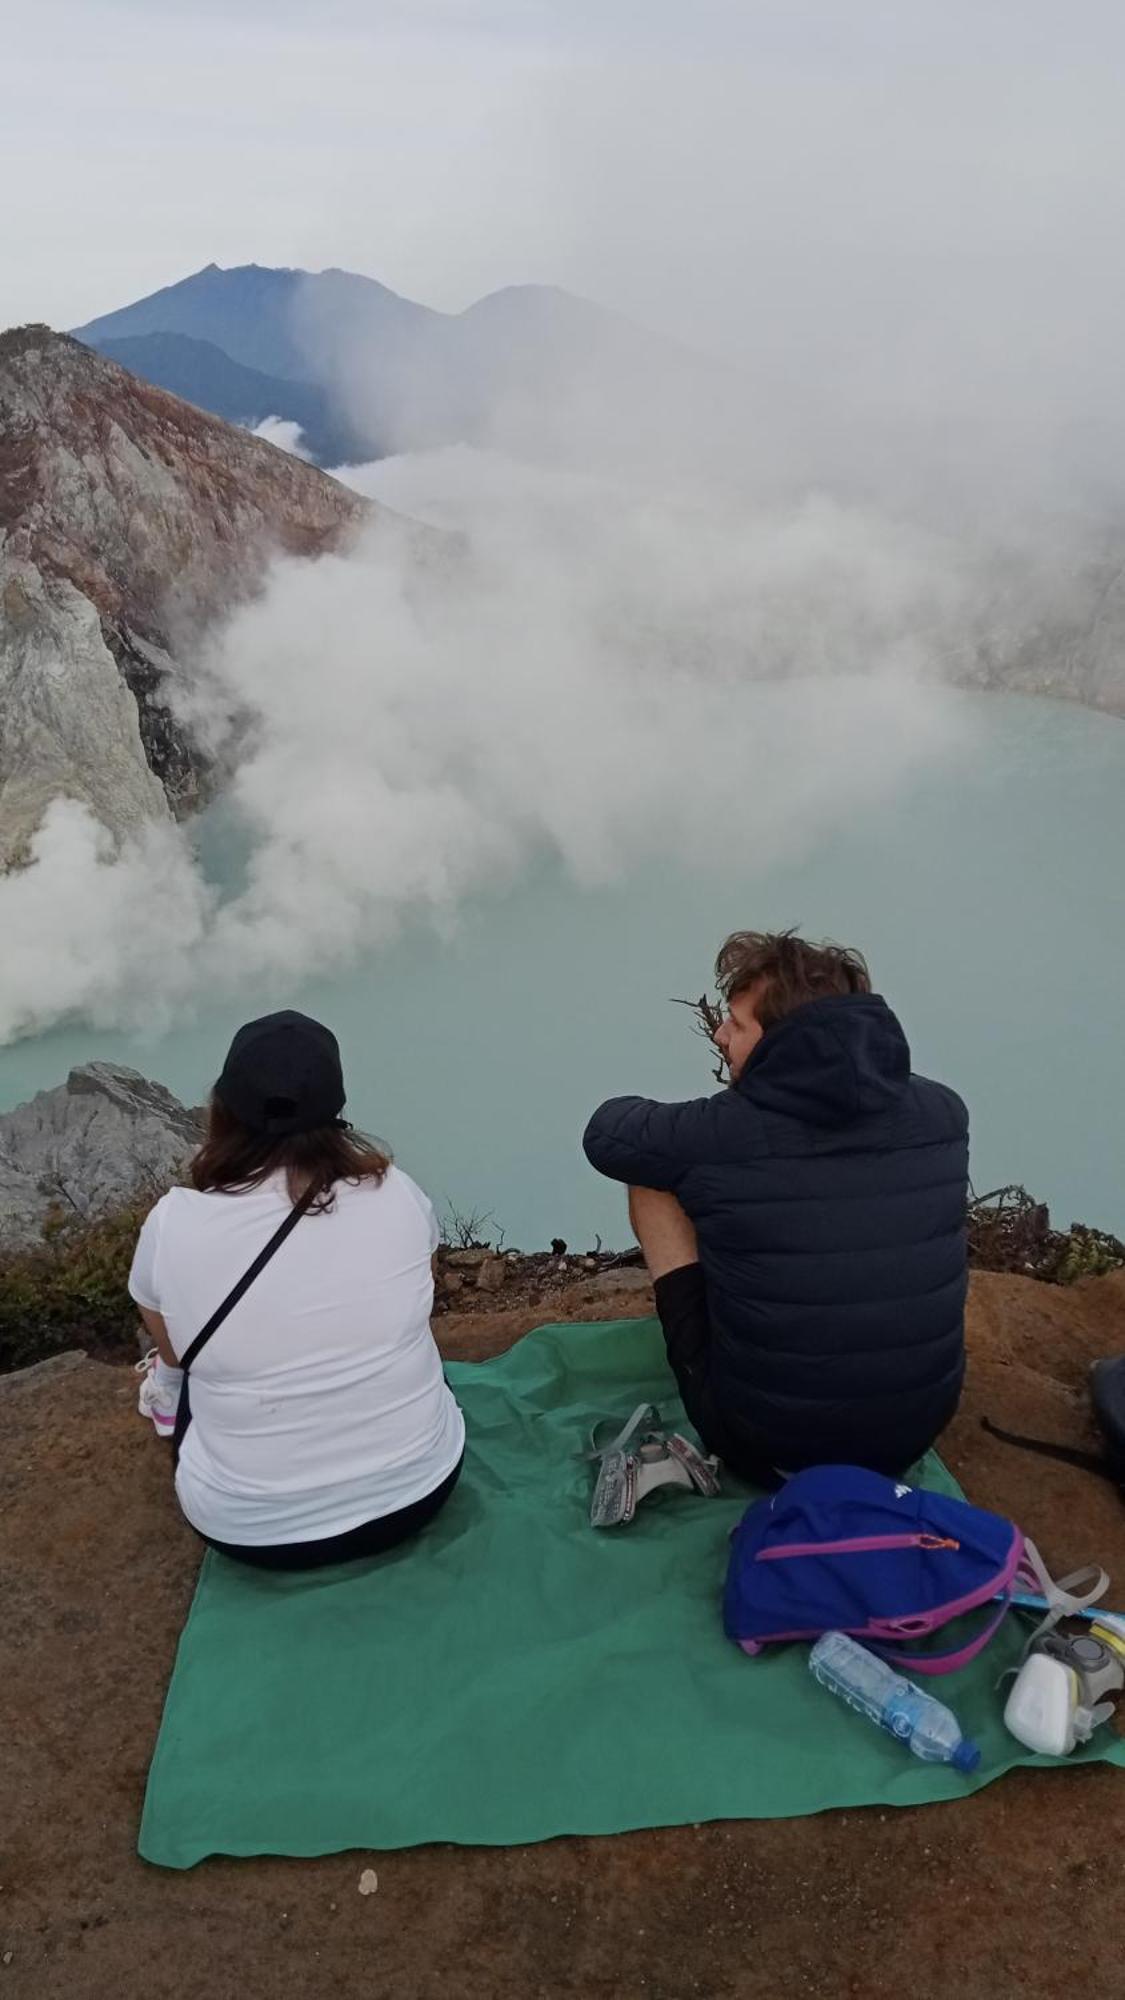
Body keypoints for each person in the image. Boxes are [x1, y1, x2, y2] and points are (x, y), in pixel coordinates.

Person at [583, 931, 969, 1482]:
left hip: (769, 1448)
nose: (719, 1034)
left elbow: (607, 1133)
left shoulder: (718, 1135)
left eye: (737, 1026)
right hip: (908, 1436)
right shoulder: (942, 1113)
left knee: (653, 1177)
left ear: (786, 1044)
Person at [130, 1010, 464, 1570]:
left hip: (250, 1531)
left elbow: (174, 1349)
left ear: (225, 1108)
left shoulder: (175, 1224)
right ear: (335, 1106)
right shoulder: (397, 1192)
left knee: (185, 1374)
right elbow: (419, 1292)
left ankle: (162, 1408)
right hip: (421, 1491)